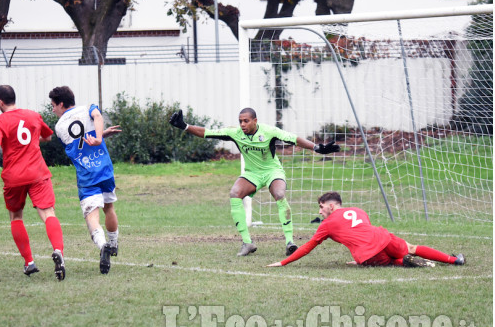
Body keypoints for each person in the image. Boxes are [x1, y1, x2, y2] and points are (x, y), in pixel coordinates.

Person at [169, 107, 340, 257]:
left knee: (280, 194)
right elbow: (207, 133)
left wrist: (317, 148)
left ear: (255, 121)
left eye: (246, 121)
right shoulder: (235, 133)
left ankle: (290, 242)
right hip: (252, 173)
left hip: (272, 171)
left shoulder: (269, 131)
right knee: (234, 193)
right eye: (240, 121)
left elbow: (294, 138)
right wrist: (185, 126)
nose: (242, 124)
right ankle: (247, 243)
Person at [0, 85, 66, 280]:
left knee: (16, 217)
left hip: (14, 176)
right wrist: (32, 141)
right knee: (48, 213)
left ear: (0, 102)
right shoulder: (33, 115)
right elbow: (47, 136)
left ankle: (29, 262)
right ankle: (58, 250)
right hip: (37, 173)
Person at [266, 191, 465, 268]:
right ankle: (454, 259)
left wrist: (283, 262)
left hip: (368, 256)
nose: (320, 211)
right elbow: (363, 231)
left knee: (389, 262)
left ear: (332, 206)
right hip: (384, 239)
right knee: (411, 247)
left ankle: (403, 262)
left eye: (321, 206)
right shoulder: (359, 210)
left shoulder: (326, 225)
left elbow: (308, 246)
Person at [49, 86, 121, 274]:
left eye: (53, 106)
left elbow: (78, 143)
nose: (53, 110)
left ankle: (103, 244)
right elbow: (97, 117)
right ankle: (113, 244)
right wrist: (100, 136)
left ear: (62, 104)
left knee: (91, 215)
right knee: (109, 207)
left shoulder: (59, 127)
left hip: (87, 174)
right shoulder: (88, 107)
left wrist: (96, 138)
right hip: (104, 168)